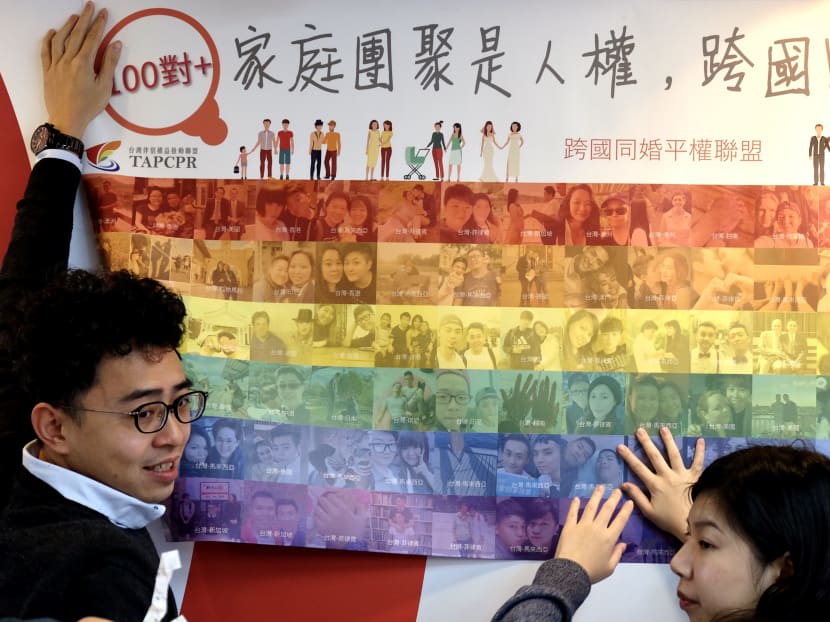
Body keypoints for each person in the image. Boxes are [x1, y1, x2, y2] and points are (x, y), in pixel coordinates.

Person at [0, 6, 195, 620]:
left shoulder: (24, 427)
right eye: (143, 413)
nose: (174, 433)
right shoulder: (108, 570)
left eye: (180, 401)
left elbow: (23, 288)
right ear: (54, 426)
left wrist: (62, 140)